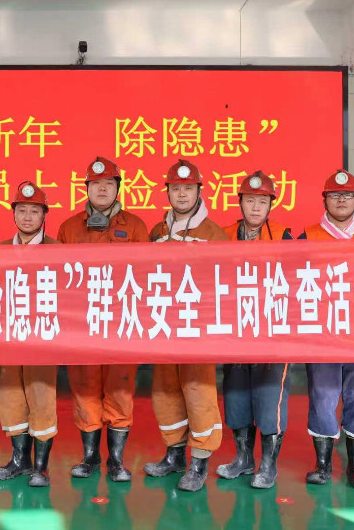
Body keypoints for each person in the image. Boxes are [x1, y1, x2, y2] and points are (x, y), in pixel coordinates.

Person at [57, 156, 149, 482]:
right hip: (83, 324)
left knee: (120, 388)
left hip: (122, 322)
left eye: (108, 183)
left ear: (118, 188)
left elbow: (146, 275)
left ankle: (117, 461)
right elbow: (59, 278)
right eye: (95, 184)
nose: (102, 189)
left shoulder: (136, 227)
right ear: (86, 188)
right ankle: (90, 457)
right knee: (84, 388)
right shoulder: (69, 228)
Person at [142, 160, 225, 492]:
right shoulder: (156, 232)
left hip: (197, 329)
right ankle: (174, 455)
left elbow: (224, 282)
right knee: (165, 391)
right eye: (175, 188)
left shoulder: (214, 234)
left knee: (198, 391)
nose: (181, 194)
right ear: (167, 192)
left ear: (199, 191)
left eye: (188, 188)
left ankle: (199, 462)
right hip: (163, 325)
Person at [300, 169, 354, 489]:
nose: (342, 200)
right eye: (335, 195)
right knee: (322, 397)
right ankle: (322, 465)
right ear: (325, 200)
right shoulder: (307, 237)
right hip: (322, 335)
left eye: (348, 195)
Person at [217, 171, 293, 489]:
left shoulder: (284, 237)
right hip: (235, 332)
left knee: (269, 398)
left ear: (270, 204)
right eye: (250, 200)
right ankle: (243, 459)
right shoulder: (222, 236)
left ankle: (268, 465)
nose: (256, 207)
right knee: (236, 398)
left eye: (262, 201)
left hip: (271, 332)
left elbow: (296, 281)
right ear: (241, 202)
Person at [0, 181, 60, 487]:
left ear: (44, 215)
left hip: (43, 339)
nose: (28, 217)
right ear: (13, 214)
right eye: (22, 210)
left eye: (34, 211)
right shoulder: (0, 250)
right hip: (9, 338)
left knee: (41, 397)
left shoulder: (58, 251)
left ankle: (40, 467)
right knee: (10, 396)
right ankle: (20, 461)